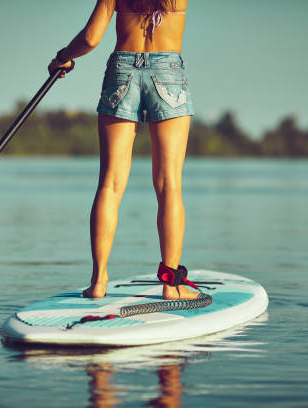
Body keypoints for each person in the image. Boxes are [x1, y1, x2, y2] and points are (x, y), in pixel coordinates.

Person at [48, 0, 197, 300]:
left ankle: (98, 281)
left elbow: (91, 38)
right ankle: (171, 284)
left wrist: (63, 57)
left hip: (122, 70)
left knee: (110, 185)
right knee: (169, 186)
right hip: (168, 71)